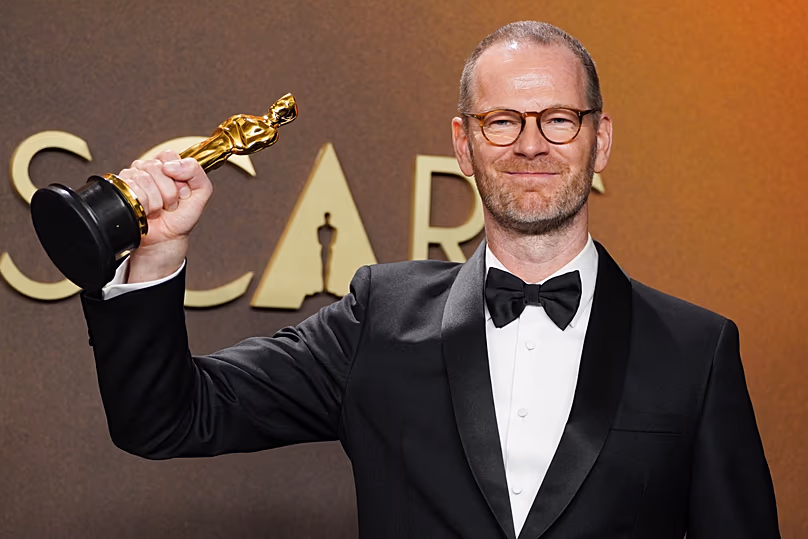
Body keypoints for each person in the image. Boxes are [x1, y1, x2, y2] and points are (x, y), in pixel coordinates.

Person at [80, 21, 780, 539]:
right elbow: (165, 418)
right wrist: (159, 255)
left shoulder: (698, 349)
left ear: (600, 139)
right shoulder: (375, 320)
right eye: (502, 120)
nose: (530, 143)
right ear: (462, 144)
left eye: (559, 119)